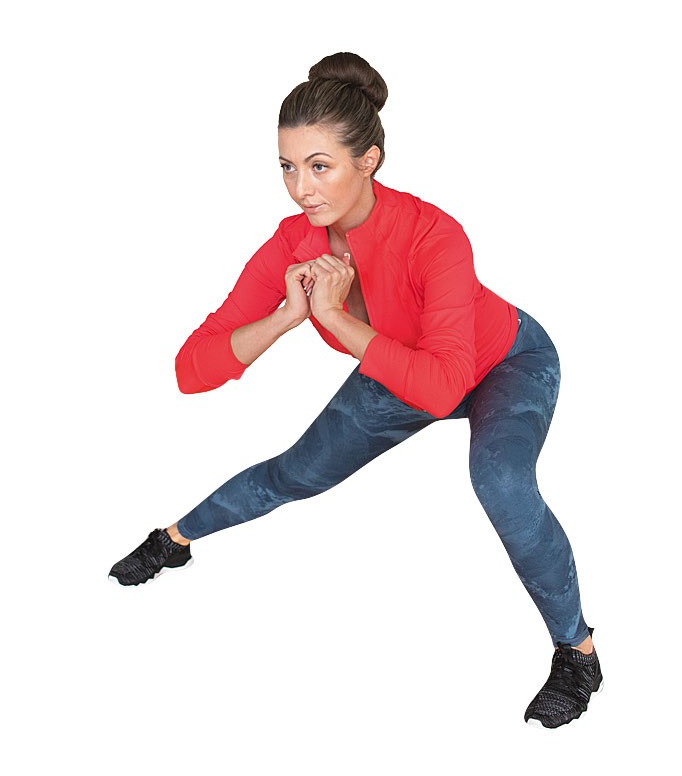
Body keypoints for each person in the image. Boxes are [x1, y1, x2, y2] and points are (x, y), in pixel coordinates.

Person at [108, 52, 603, 729]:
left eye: (320, 166)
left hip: (505, 362)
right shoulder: (293, 244)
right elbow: (190, 372)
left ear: (368, 161)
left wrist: (338, 318)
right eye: (287, 167)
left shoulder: (433, 234)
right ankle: (174, 540)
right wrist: (286, 316)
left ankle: (578, 653)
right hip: (403, 370)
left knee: (501, 481)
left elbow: (442, 386)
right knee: (296, 473)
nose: (301, 189)